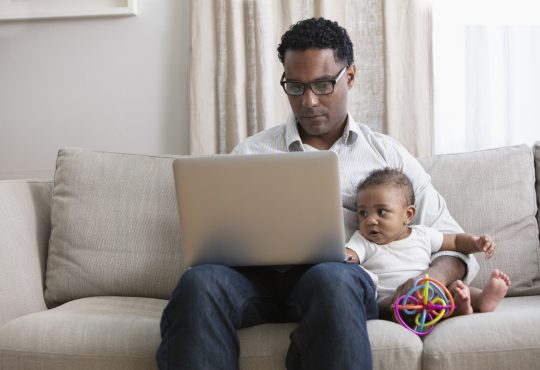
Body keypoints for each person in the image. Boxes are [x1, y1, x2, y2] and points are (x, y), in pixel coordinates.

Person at [157, 17, 478, 370]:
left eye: (323, 84)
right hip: (256, 283)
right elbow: (214, 235)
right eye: (295, 87)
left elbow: (456, 245)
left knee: (332, 278)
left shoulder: (387, 155)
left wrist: (429, 279)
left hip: (335, 281)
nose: (308, 101)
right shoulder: (252, 152)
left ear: (350, 76)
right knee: (198, 283)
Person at [347, 168, 511, 317]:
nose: (370, 220)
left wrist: (475, 242)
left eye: (381, 212)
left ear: (408, 215)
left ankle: (481, 299)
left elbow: (454, 240)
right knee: (386, 305)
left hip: (428, 292)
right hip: (393, 299)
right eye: (363, 213)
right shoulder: (363, 240)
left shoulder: (422, 234)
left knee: (455, 287)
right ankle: (455, 308)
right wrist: (344, 256)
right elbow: (348, 255)